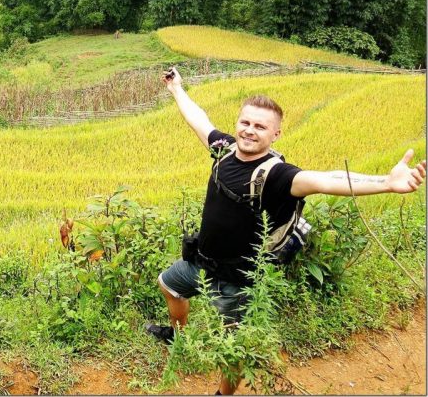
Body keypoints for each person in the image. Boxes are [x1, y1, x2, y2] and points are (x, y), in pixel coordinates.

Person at [147, 66, 426, 396]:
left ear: (275, 134)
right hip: (201, 263)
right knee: (168, 285)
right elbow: (199, 119)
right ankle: (176, 334)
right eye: (245, 122)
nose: (250, 131)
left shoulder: (278, 175)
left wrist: (385, 183)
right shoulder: (223, 148)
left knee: (232, 353)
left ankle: (223, 394)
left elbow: (326, 179)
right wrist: (176, 88)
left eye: (260, 127)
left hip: (238, 281)